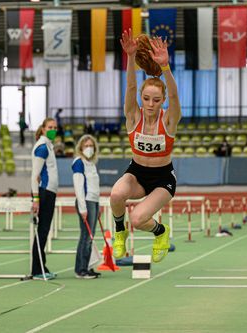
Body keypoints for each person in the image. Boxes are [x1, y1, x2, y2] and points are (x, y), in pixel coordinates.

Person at [110, 30, 181, 264]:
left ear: (163, 101)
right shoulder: (133, 116)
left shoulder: (169, 120)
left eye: (156, 100)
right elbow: (130, 87)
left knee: (139, 219)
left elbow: (174, 94)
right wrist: (130, 57)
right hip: (137, 173)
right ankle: (119, 231)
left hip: (162, 178)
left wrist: (166, 67)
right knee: (116, 194)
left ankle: (161, 233)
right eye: (147, 99)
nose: (151, 104)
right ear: (141, 98)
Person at [31, 117, 59, 280]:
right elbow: (34, 176)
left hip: (49, 192)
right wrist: (36, 199)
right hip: (44, 193)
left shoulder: (48, 146)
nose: (53, 130)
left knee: (44, 231)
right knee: (42, 231)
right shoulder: (42, 147)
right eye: (50, 127)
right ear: (43, 129)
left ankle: (42, 266)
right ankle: (37, 269)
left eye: (55, 127)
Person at [72, 134, 101, 279]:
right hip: (86, 202)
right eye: (86, 146)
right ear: (81, 148)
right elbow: (79, 187)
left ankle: (87, 267)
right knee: (86, 236)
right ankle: (80, 269)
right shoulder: (79, 162)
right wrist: (83, 208)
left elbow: (94, 187)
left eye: (91, 146)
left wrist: (98, 206)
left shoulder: (92, 164)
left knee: (90, 236)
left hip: (93, 202)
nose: (89, 148)